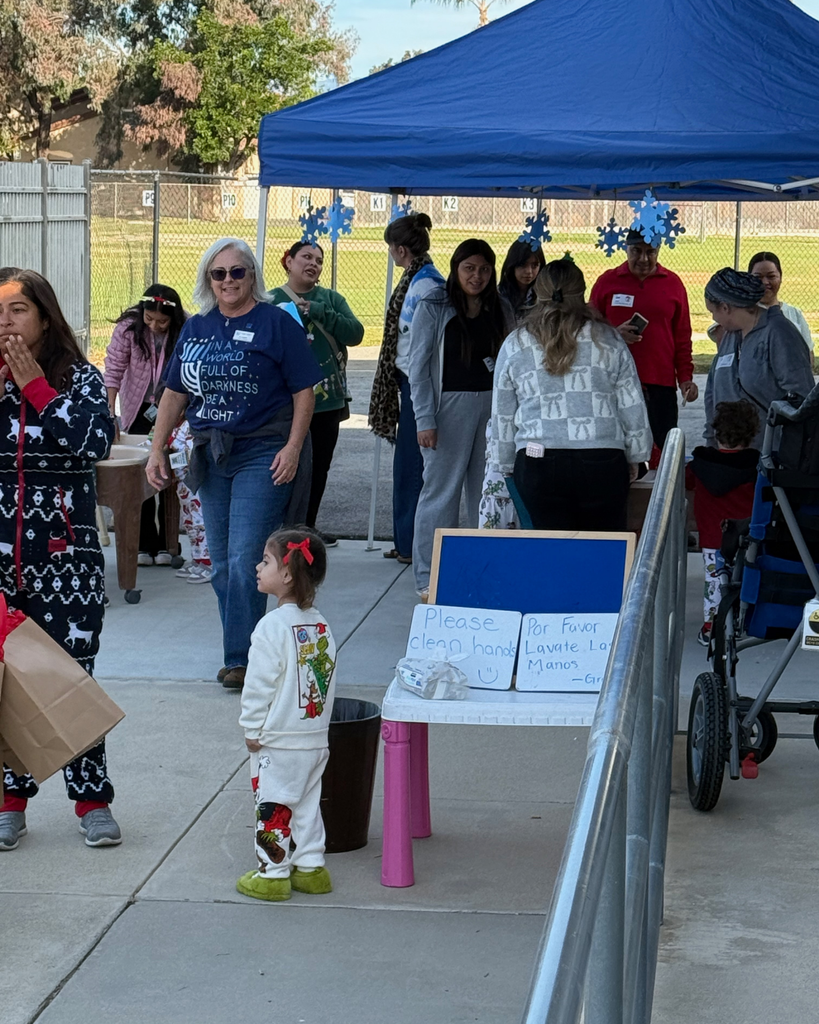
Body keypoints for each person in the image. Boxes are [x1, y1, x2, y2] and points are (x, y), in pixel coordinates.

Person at [145, 238, 323, 690]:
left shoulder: (276, 323)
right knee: (222, 565)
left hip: (263, 451)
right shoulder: (197, 328)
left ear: (252, 276)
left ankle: (243, 660)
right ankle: (244, 652)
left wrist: (293, 447)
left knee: (246, 559)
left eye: (237, 271)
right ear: (208, 279)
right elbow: (175, 393)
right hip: (212, 453)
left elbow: (304, 391)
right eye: (219, 273)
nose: (228, 280)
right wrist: (156, 448)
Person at [0, 268, 121, 851]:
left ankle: (92, 802)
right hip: (2, 563)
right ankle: (10, 802)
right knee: (5, 683)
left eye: (17, 309)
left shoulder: (80, 378)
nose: (4, 322)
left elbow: (94, 442)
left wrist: (37, 391)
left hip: (66, 563)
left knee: (72, 679)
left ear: (45, 318)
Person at [489, 256, 652, 531]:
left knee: (549, 549)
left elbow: (503, 411)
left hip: (536, 460)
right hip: (602, 459)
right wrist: (638, 454)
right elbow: (631, 404)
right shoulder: (609, 340)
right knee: (603, 547)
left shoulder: (516, 344)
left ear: (538, 293)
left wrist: (504, 461)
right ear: (582, 293)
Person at [236, 529, 337, 903]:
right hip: (314, 737)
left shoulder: (271, 626)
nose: (257, 567)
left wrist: (251, 726)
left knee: (273, 805)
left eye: (266, 561)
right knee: (308, 804)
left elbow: (258, 684)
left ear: (287, 575)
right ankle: (311, 867)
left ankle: (272, 873)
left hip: (279, 740)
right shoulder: (321, 625)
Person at [410, 238, 506, 596]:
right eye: (469, 268)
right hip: (447, 410)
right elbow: (418, 367)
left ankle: (484, 570)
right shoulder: (434, 305)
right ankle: (430, 575)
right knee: (441, 494)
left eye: (484, 269)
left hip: (493, 410)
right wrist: (425, 419)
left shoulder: (501, 307)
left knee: (487, 492)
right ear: (455, 269)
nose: (476, 276)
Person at [269, 243, 364, 547]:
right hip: (285, 403)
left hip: (327, 402)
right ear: (288, 261)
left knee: (318, 468)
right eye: (306, 258)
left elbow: (356, 333)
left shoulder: (331, 300)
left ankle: (306, 529)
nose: (313, 264)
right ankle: (280, 529)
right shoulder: (270, 301)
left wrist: (321, 312)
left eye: (319, 261)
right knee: (283, 466)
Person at [369, 212, 445, 563]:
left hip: (417, 382)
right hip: (408, 379)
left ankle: (412, 543)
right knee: (407, 467)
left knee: (411, 469)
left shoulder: (425, 285)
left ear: (400, 250)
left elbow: (419, 344)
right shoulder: (418, 279)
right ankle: (405, 540)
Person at [589, 230, 698, 455]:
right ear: (626, 249)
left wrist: (685, 377)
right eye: (636, 251)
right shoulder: (607, 281)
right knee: (617, 446)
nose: (644, 259)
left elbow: (682, 336)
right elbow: (589, 330)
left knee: (663, 447)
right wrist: (615, 334)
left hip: (660, 382)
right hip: (615, 379)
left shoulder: (673, 283)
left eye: (651, 252)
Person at [104, 284, 186, 567]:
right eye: (149, 319)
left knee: (168, 472)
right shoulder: (128, 329)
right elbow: (113, 370)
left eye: (162, 322)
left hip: (173, 408)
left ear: (173, 318)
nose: (154, 326)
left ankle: (168, 543)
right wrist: (109, 412)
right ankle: (144, 542)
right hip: (138, 408)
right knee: (142, 473)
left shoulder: (185, 329)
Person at [703, 267, 814, 451]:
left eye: (712, 311)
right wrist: (711, 441)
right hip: (728, 454)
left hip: (769, 454)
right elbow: (712, 390)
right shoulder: (730, 335)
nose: (713, 317)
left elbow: (802, 398)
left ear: (725, 307)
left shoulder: (780, 334)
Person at [686, 401, 760, 647]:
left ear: (716, 432)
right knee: (747, 578)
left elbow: (685, 481)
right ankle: (743, 621)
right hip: (747, 537)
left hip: (712, 538)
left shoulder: (700, 465)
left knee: (715, 584)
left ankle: (712, 628)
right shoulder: (757, 466)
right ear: (751, 434)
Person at [748, 251, 813, 354]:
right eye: (758, 277)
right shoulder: (742, 313)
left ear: (780, 278)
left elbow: (808, 353)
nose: (765, 282)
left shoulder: (794, 314)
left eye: (771, 276)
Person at [498, 239, 545, 331]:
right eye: (522, 265)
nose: (529, 271)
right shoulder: (500, 296)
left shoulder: (543, 296)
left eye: (534, 265)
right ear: (512, 265)